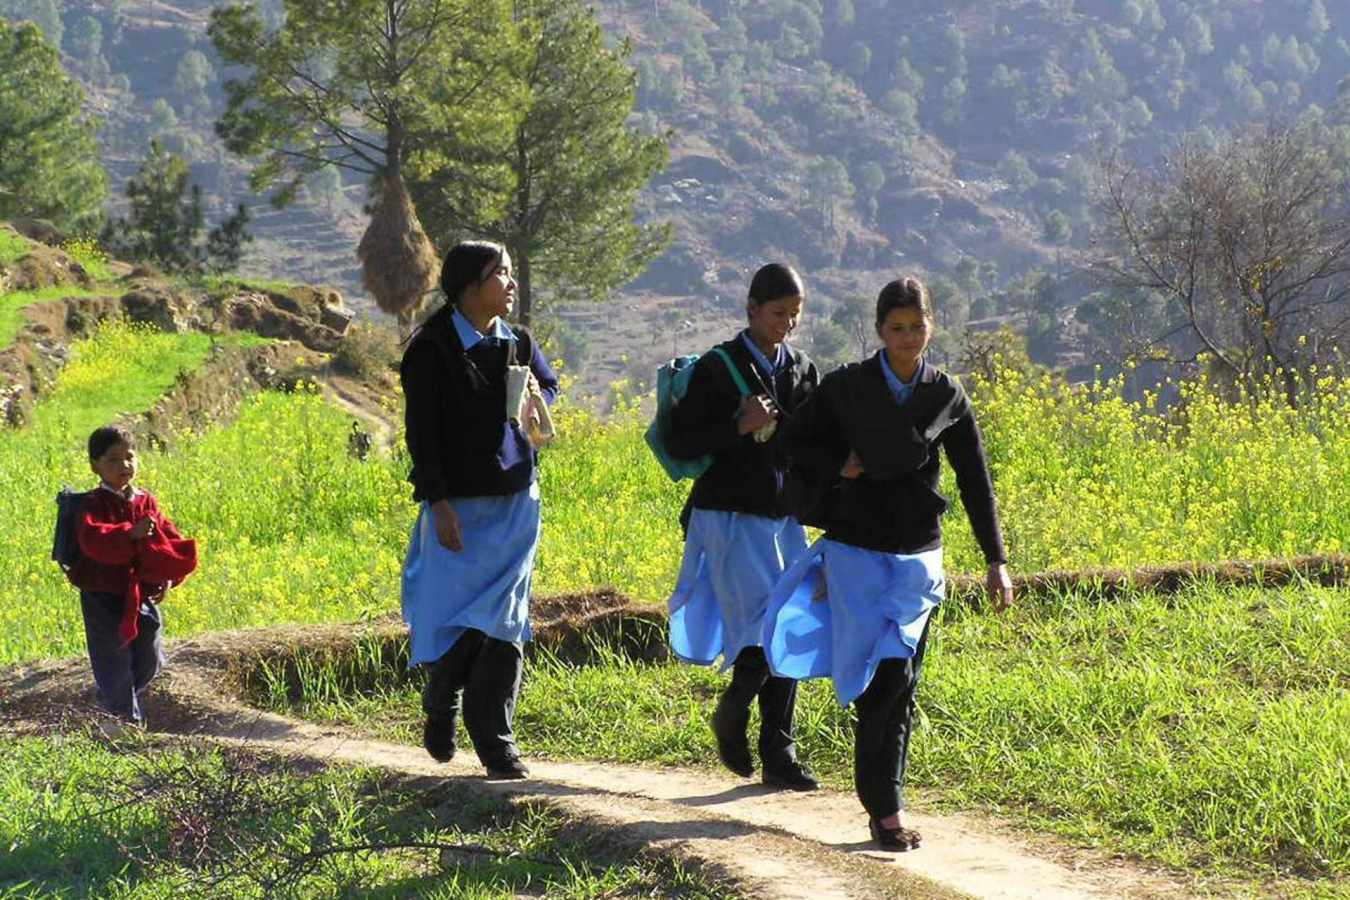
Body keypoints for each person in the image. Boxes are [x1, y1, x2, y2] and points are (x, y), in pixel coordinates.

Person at [765, 276, 1013, 849]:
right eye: (897, 329)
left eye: (918, 327)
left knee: (899, 677)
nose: (908, 339)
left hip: (917, 558)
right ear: (879, 330)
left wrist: (996, 559)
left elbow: (976, 481)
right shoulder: (848, 387)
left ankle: (885, 808)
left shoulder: (945, 394)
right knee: (874, 679)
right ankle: (882, 802)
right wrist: (840, 464)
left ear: (932, 326)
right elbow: (792, 442)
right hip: (855, 553)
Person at [400, 240, 559, 780]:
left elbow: (550, 389)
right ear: (470, 284)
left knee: (506, 621)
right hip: (460, 506)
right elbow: (422, 436)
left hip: (516, 499)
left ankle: (496, 744)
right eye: (501, 274)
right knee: (464, 616)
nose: (511, 284)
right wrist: (438, 505)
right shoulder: (432, 348)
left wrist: (539, 392)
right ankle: (441, 695)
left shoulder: (518, 341)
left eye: (511, 273)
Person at [665, 262, 822, 791]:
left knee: (786, 623)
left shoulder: (800, 369)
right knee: (763, 626)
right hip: (729, 517)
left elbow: (811, 445)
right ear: (751, 310)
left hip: (782, 518)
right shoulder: (718, 367)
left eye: (795, 315)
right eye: (778, 313)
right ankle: (736, 712)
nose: (787, 324)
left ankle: (778, 748)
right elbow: (683, 443)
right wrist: (738, 425)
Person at [65, 425, 197, 727]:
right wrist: (129, 533)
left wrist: (166, 574)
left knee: (149, 652)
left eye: (129, 456)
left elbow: (166, 536)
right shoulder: (93, 503)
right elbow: (93, 541)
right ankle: (123, 720)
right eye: (113, 459)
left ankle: (115, 702)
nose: (124, 465)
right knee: (112, 657)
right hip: (102, 592)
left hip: (140, 592)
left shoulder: (144, 500)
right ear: (94, 465)